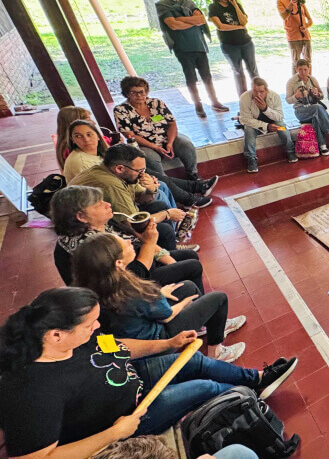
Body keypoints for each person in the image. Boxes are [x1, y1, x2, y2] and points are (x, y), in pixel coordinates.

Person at [0, 287, 298, 458]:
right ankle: (247, 409)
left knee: (194, 361)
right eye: (90, 323)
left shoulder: (76, 337)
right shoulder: (30, 391)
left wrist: (167, 343)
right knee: (205, 387)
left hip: (135, 378)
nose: (97, 327)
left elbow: (116, 346)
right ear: (55, 336)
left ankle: (257, 381)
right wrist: (116, 432)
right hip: (131, 418)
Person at [73, 233, 246, 362]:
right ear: (118, 263)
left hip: (131, 337)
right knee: (218, 298)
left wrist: (160, 295)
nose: (128, 241)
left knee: (188, 286)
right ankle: (217, 352)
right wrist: (185, 303)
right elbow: (166, 316)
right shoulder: (132, 289)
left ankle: (203, 326)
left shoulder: (89, 289)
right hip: (158, 340)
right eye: (123, 244)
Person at [51, 186, 201, 288]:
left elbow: (137, 240)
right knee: (192, 267)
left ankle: (187, 300)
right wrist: (150, 243)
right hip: (125, 289)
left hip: (140, 265)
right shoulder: (91, 245)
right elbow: (134, 275)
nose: (108, 204)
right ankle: (196, 318)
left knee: (188, 255)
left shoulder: (104, 222)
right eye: (98, 204)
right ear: (81, 216)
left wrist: (169, 261)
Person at [61, 117, 214, 208]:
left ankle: (195, 188)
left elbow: (171, 121)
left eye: (89, 134)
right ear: (72, 139)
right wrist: (145, 187)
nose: (86, 139)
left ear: (97, 134)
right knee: (160, 187)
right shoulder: (80, 161)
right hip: (105, 198)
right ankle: (188, 201)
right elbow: (109, 186)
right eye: (79, 136)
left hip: (120, 181)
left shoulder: (99, 150)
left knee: (157, 179)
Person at [68, 144, 187, 247]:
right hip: (90, 232)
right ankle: (163, 256)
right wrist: (167, 215)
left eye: (144, 170)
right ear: (120, 168)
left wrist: (151, 189)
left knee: (159, 205)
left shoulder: (120, 173)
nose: (142, 174)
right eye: (139, 171)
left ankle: (170, 247)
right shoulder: (111, 184)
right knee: (164, 229)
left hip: (108, 217)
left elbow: (141, 199)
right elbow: (132, 224)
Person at [155, 0, 228, 118]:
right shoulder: (162, 5)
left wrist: (181, 18)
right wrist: (190, 20)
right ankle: (198, 104)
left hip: (198, 44)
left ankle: (214, 101)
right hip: (182, 48)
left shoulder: (188, 2)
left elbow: (201, 19)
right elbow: (173, 25)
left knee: (207, 77)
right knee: (191, 79)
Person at [113, 76, 202, 181]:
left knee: (186, 144)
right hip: (144, 144)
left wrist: (169, 142)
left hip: (165, 137)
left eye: (141, 92)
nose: (139, 95)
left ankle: (192, 175)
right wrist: (155, 147)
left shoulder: (156, 103)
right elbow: (130, 135)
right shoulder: (121, 110)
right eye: (134, 93)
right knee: (150, 158)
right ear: (127, 94)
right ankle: (168, 183)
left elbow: (172, 124)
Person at [285, 59, 329, 156]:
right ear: (296, 69)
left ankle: (323, 146)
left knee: (316, 117)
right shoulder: (291, 82)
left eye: (305, 70)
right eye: (300, 69)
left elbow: (322, 96)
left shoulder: (312, 79)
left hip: (313, 108)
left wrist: (316, 94)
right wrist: (296, 96)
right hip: (300, 110)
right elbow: (287, 100)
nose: (303, 72)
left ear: (309, 69)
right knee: (317, 108)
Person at [208, 0, 257, 97]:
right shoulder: (213, 7)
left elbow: (244, 21)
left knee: (253, 71)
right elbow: (221, 26)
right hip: (229, 45)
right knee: (238, 72)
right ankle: (244, 98)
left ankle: (259, 95)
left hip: (246, 42)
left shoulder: (236, 5)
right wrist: (238, 27)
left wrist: (235, 5)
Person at [239, 77, 297, 173]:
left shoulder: (275, 96)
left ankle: (290, 151)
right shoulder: (244, 98)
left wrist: (265, 108)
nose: (258, 94)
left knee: (282, 126)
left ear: (266, 90)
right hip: (256, 125)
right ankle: (251, 159)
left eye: (261, 91)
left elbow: (279, 116)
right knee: (248, 129)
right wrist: (266, 126)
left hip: (274, 122)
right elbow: (245, 119)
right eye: (255, 91)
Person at [277, 0, 313, 68]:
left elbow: (310, 20)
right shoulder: (281, 1)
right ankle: (295, 81)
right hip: (293, 37)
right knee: (296, 63)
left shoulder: (300, 1)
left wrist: (306, 26)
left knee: (308, 63)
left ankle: (309, 81)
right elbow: (284, 16)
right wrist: (290, 4)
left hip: (305, 36)